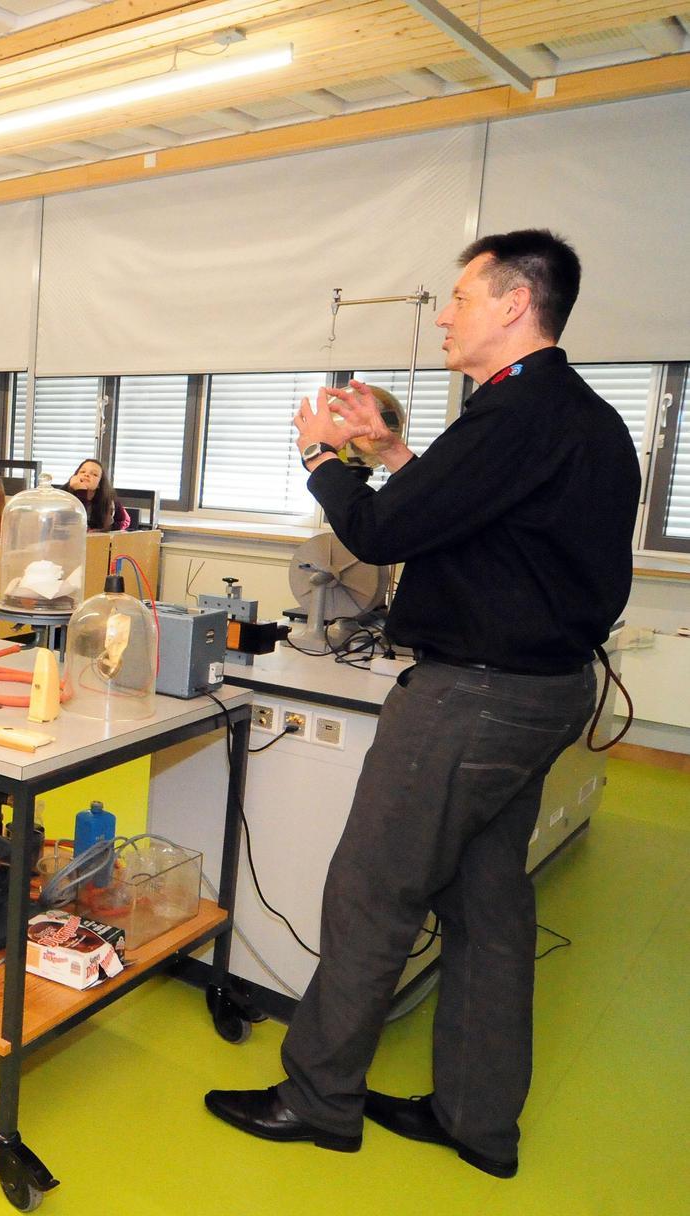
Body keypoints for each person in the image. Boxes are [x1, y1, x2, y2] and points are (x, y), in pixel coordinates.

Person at [205, 231, 638, 1180]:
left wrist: (324, 458)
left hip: (471, 700)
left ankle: (319, 1099)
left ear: (515, 304)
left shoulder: (516, 415)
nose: (443, 314)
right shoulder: (572, 417)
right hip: (541, 698)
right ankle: (476, 1119)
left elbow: (383, 526)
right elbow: (466, 511)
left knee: (371, 893)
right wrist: (392, 447)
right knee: (486, 906)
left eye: (459, 296)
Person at [64, 458, 127, 531]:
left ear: (99, 484)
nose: (86, 475)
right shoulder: (63, 495)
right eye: (82, 471)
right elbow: (76, 525)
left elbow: (123, 521)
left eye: (94, 474)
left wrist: (103, 530)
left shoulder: (108, 497)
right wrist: (81, 491)